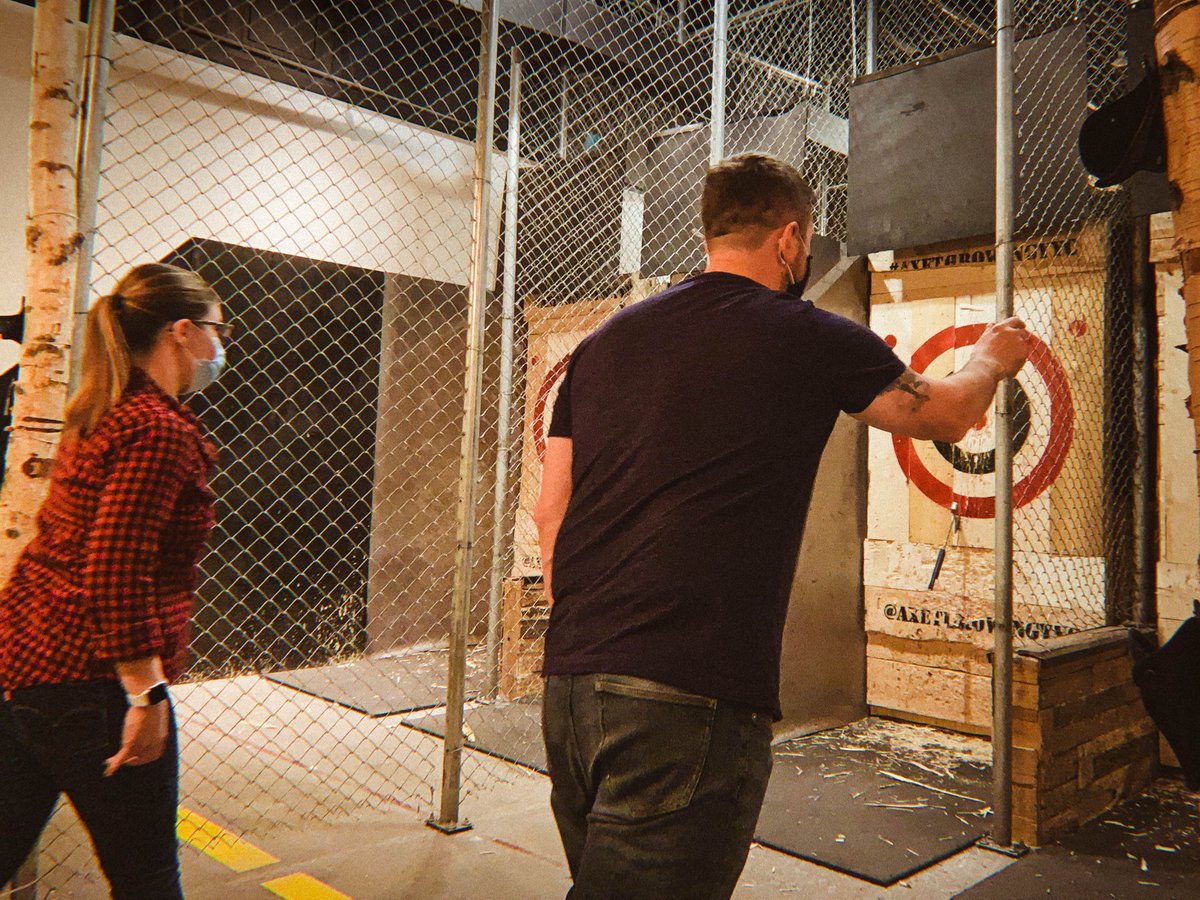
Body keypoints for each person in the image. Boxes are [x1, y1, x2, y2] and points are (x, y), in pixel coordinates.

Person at [534, 153, 1031, 899]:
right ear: (791, 239)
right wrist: (991, 359)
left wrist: (586, 621)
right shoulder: (806, 334)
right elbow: (950, 413)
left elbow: (551, 510)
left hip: (572, 685)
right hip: (688, 686)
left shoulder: (603, 344)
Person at [0, 263, 229, 899]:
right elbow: (116, 569)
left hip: (27, 666)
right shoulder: (156, 429)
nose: (221, 345)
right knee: (146, 877)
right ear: (181, 332)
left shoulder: (108, 411)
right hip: (88, 681)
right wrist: (144, 694)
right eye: (216, 329)